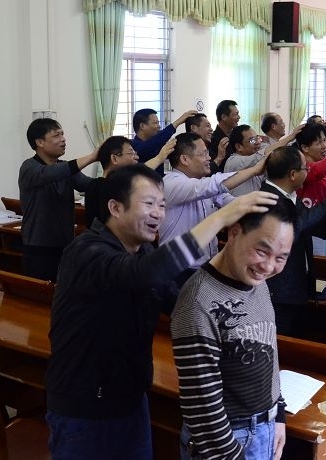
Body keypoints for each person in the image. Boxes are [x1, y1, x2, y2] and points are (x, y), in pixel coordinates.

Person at [45, 164, 279, 460]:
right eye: (149, 204)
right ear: (115, 207)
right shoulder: (86, 252)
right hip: (84, 407)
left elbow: (182, 300)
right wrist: (220, 218)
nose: (158, 213)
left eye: (162, 205)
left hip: (131, 398)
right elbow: (145, 274)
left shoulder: (142, 252)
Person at [172, 199, 297, 460]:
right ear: (234, 233)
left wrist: (278, 414)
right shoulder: (198, 301)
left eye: (280, 258)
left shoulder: (255, 280)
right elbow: (202, 408)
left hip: (263, 427)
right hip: (227, 440)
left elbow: (269, 351)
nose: (268, 267)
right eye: (261, 251)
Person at [262, 146, 326, 337]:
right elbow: (296, 226)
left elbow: (314, 226)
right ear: (292, 174)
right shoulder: (269, 200)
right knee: (281, 342)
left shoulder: (290, 196)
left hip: (297, 287)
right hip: (279, 292)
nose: (308, 172)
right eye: (305, 168)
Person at [158, 133, 266, 270]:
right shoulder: (171, 183)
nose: (209, 157)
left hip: (205, 265)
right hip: (179, 269)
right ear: (185, 159)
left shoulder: (202, 183)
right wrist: (255, 170)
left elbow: (233, 202)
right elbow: (213, 185)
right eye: (203, 154)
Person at [19, 117, 97, 281]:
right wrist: (92, 157)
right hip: (38, 247)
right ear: (40, 142)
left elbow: (89, 185)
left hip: (65, 244)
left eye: (63, 134)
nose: (63, 139)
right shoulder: (29, 167)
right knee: (41, 293)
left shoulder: (65, 168)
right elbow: (51, 173)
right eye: (56, 135)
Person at [84, 135, 175, 227]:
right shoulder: (106, 187)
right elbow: (135, 175)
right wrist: (158, 158)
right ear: (114, 159)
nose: (137, 157)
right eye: (131, 153)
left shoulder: (104, 185)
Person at [130, 108, 196, 174]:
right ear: (142, 126)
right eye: (155, 123)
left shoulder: (157, 143)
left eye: (158, 123)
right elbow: (157, 140)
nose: (159, 126)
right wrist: (178, 122)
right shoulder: (135, 147)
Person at [210, 99, 240, 166]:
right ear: (224, 117)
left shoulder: (237, 134)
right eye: (236, 114)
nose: (239, 117)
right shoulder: (213, 140)